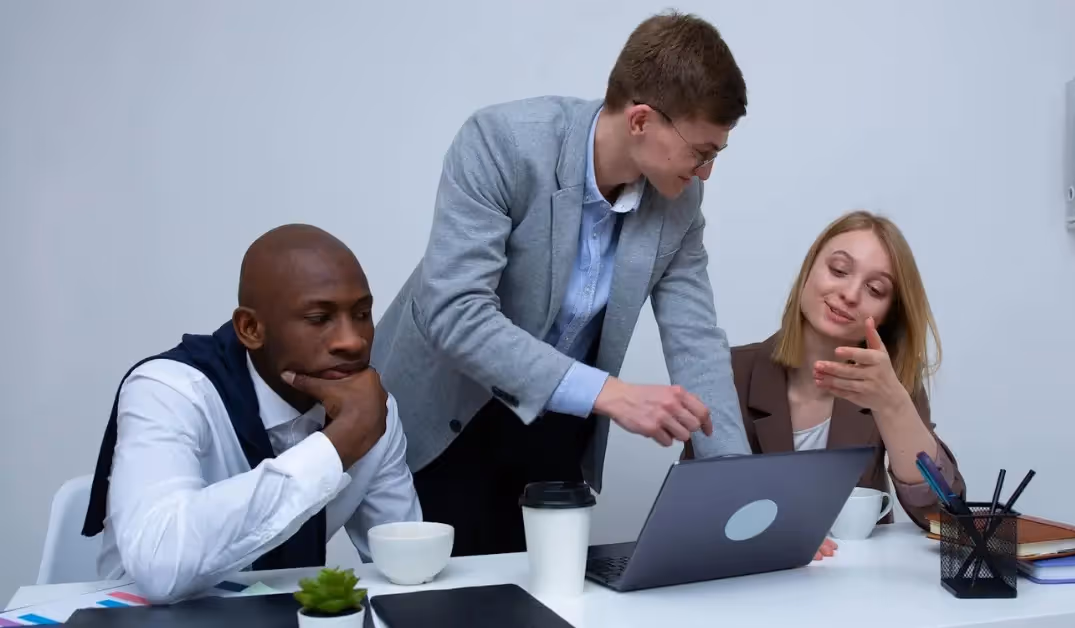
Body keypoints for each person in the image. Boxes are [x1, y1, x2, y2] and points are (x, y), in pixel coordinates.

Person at [371, 11, 752, 557]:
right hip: (444, 418)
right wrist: (612, 394)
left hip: (555, 428)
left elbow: (696, 341)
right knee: (440, 595)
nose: (706, 172)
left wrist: (740, 495)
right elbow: (454, 313)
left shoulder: (680, 201)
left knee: (553, 593)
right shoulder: (501, 142)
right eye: (702, 152)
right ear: (641, 121)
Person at [81, 224, 421, 603]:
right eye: (319, 318)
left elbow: (405, 561)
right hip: (144, 616)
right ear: (250, 328)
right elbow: (160, 566)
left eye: (361, 314)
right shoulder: (169, 390)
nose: (352, 340)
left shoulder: (370, 409)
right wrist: (338, 445)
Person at [683, 210, 966, 560]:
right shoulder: (726, 373)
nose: (850, 294)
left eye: (875, 289)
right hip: (749, 578)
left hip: (854, 582)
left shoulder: (890, 382)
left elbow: (942, 517)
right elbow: (693, 510)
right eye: (839, 270)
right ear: (808, 271)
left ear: (888, 314)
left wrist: (893, 405)